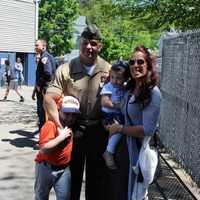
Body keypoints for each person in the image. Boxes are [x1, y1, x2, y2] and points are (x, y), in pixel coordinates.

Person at [44, 24, 111, 200]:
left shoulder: (108, 70)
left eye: (94, 43)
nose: (89, 47)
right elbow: (49, 98)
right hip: (74, 131)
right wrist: (60, 127)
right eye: (86, 43)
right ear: (80, 43)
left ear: (99, 46)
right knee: (71, 180)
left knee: (97, 181)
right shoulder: (65, 69)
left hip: (99, 130)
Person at [108, 45, 161, 200]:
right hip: (124, 149)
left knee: (135, 194)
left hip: (138, 152)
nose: (135, 65)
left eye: (140, 62)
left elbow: (147, 129)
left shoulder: (153, 93)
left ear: (148, 65)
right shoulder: (130, 88)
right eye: (131, 62)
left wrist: (119, 129)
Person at [34, 95, 80, 200]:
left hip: (63, 169)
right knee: (41, 196)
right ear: (58, 110)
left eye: (74, 115)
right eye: (67, 113)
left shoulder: (72, 125)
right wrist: (61, 137)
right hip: (45, 168)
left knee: (64, 197)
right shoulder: (50, 125)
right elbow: (44, 150)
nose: (70, 117)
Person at [101, 60, 129, 170]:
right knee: (117, 131)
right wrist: (117, 106)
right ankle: (109, 152)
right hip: (109, 115)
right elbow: (104, 102)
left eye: (119, 78)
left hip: (118, 115)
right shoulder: (108, 87)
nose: (115, 81)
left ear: (125, 78)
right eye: (112, 77)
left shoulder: (124, 87)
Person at [33, 39, 56, 130]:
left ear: (43, 46)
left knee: (43, 115)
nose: (35, 47)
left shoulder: (44, 57)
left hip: (44, 90)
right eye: (35, 45)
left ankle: (44, 139)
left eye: (37, 45)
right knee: (47, 115)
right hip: (48, 89)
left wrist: (39, 84)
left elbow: (48, 73)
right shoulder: (48, 56)